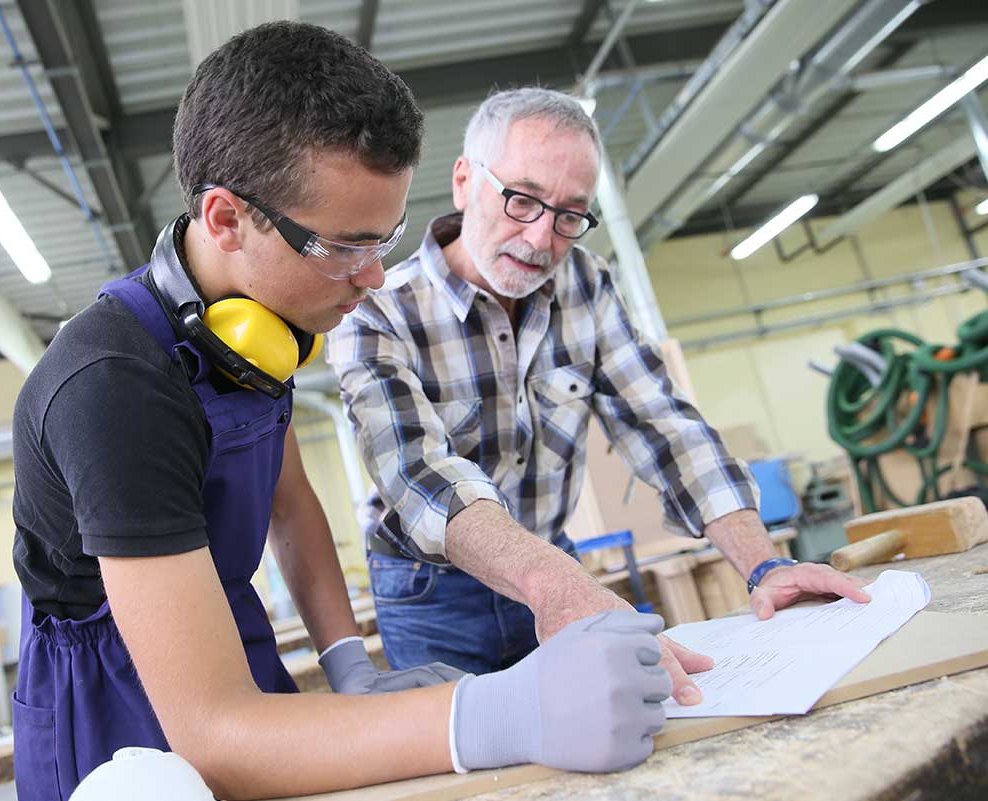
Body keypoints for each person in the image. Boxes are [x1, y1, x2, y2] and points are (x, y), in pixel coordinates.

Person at [11, 25, 673, 801]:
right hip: (118, 718)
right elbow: (217, 735)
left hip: (229, 656)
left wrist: (347, 663)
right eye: (344, 246)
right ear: (225, 218)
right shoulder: (115, 388)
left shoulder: (251, 329)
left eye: (386, 238)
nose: (373, 278)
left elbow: (289, 507)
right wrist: (499, 710)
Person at [327, 87, 872, 706]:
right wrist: (555, 584)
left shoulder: (585, 282)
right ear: (463, 181)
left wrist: (765, 565)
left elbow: (664, 427)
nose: (541, 240)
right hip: (431, 591)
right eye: (522, 200)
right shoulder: (374, 312)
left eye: (570, 215)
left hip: (553, 558)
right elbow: (420, 474)